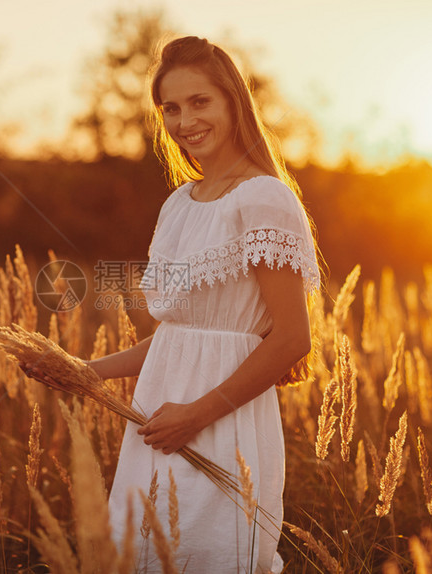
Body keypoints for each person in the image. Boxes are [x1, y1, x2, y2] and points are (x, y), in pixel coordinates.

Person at [85, 36, 320, 573]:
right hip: (156, 417)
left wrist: (196, 415)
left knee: (209, 556)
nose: (184, 120)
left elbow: (291, 339)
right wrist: (86, 370)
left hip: (219, 423)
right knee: (143, 555)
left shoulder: (263, 197)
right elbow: (181, 335)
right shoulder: (178, 203)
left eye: (200, 102)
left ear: (233, 102)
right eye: (170, 107)